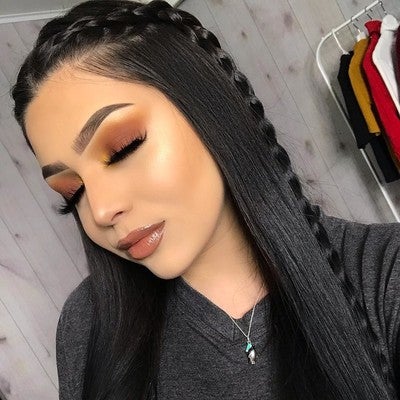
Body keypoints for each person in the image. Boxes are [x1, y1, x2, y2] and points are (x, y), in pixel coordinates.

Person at [10, 0, 400, 399]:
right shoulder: (87, 325)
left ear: (211, 109)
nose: (101, 210)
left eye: (124, 147)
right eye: (72, 193)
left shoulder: (385, 273)